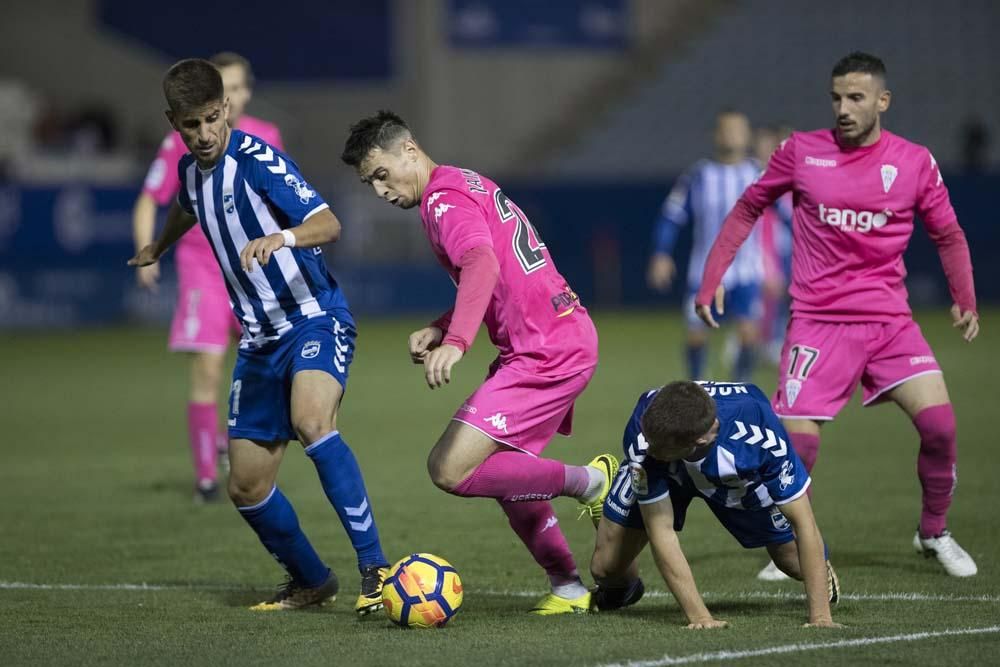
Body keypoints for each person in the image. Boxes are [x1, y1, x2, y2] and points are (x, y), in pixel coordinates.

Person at [696, 52, 979, 577]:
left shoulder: (914, 162)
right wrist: (712, 277)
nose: (843, 108)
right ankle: (787, 547)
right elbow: (748, 208)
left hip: (890, 323)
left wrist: (964, 296)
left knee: (940, 427)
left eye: (856, 98)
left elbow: (948, 233)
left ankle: (933, 532)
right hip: (818, 323)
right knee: (797, 445)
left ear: (882, 101)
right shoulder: (801, 152)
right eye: (836, 98)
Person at [130, 59, 391, 613]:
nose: (202, 135)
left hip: (313, 316)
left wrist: (284, 238)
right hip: (258, 341)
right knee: (245, 486)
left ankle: (376, 570)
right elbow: (185, 206)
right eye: (189, 125)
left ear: (224, 108)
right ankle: (311, 580)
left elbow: (328, 223)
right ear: (172, 121)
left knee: (313, 421)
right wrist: (160, 245)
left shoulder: (257, 161)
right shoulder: (188, 170)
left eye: (209, 119)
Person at [341, 110, 617, 615]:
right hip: (549, 340)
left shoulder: (443, 200)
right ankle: (570, 587)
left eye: (381, 174)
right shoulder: (462, 181)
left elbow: (481, 262)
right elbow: (497, 274)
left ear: (409, 148)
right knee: (507, 472)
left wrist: (459, 341)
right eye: (368, 183)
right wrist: (442, 325)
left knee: (449, 468)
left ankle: (593, 482)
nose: (379, 190)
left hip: (546, 350)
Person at [131, 52, 283, 502]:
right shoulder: (185, 136)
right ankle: (206, 477)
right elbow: (150, 198)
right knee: (209, 367)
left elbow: (279, 198)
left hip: (251, 267)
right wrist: (151, 250)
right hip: (202, 268)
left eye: (238, 88)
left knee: (269, 364)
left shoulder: (266, 137)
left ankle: (228, 442)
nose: (232, 96)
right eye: (225, 88)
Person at [590, 380, 841, 629]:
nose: (650, 449)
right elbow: (660, 531)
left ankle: (820, 566)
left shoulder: (760, 436)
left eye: (657, 447)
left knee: (793, 563)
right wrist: (700, 618)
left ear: (700, 440)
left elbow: (804, 523)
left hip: (737, 479)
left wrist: (821, 618)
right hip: (669, 470)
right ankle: (611, 513)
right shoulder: (646, 435)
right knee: (605, 568)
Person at [647, 110, 763, 382]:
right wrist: (661, 254)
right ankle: (698, 387)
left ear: (747, 135)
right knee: (696, 335)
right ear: (715, 135)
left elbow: (787, 215)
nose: (731, 135)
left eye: (737, 129)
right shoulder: (698, 176)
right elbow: (671, 215)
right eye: (726, 129)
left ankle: (739, 387)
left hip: (747, 271)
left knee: (748, 333)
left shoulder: (759, 174)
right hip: (704, 271)